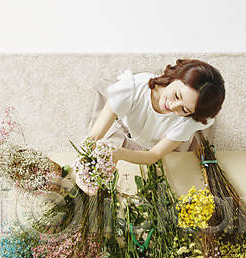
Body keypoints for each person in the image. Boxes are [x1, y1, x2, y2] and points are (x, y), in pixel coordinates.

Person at [77, 59, 226, 194]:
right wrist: (81, 169)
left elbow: (153, 155)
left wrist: (120, 154)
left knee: (184, 154)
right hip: (134, 111)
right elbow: (94, 136)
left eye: (184, 109)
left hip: (161, 136)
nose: (172, 106)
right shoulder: (131, 89)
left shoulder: (188, 120)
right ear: (177, 78)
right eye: (177, 96)